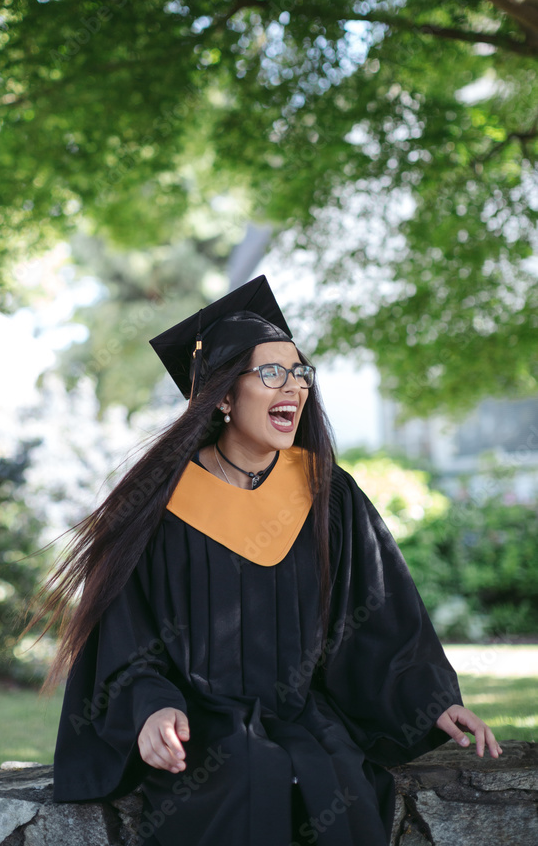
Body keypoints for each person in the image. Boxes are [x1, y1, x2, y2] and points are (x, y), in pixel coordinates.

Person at [33, 275, 502, 846]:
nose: (294, 388)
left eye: (300, 373)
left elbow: (377, 616)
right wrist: (151, 711)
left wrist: (430, 702)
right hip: (201, 728)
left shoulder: (327, 492)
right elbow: (128, 640)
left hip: (308, 716)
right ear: (224, 396)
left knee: (336, 784)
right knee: (246, 779)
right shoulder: (163, 503)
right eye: (271, 373)